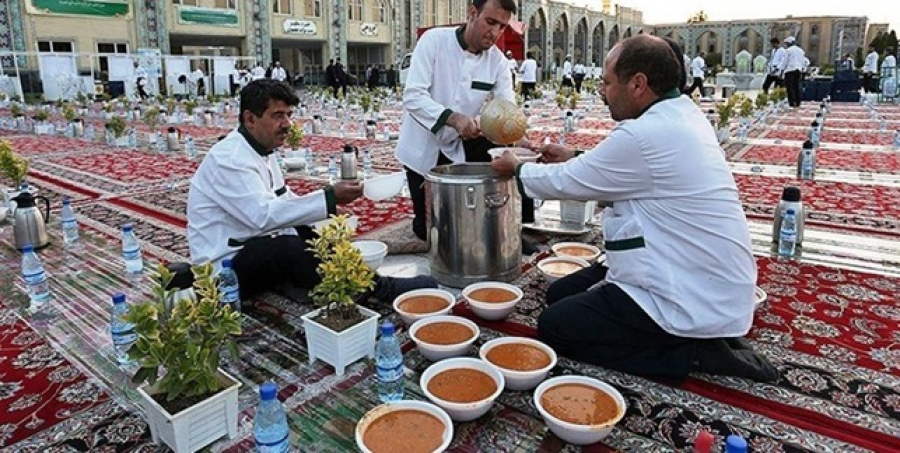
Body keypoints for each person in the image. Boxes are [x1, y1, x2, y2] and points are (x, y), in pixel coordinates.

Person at [490, 34, 777, 382]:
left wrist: (516, 168)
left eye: (608, 83)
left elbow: (571, 182)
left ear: (638, 84)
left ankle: (691, 354)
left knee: (556, 328)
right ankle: (694, 336)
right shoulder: (681, 115)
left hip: (684, 288)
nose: (603, 92)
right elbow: (628, 172)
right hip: (695, 271)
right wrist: (573, 157)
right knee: (559, 293)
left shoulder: (644, 134)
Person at [187, 79, 437, 304]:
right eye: (277, 116)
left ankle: (342, 280)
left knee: (313, 234)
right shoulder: (229, 159)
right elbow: (263, 216)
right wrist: (329, 198)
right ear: (250, 119)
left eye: (288, 115)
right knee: (285, 248)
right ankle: (380, 290)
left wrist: (323, 224)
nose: (287, 124)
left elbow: (283, 199)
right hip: (224, 269)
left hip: (251, 247)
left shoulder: (262, 149)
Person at [394, 0, 536, 249]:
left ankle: (517, 227)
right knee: (431, 233)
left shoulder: (498, 62)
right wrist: (454, 118)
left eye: (502, 26)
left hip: (463, 141)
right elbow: (413, 96)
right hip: (422, 144)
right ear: (472, 13)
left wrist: (517, 136)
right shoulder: (434, 41)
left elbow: (506, 108)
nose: (495, 32)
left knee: (512, 159)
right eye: (490, 22)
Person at [782, 36, 805, 107]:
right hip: (798, 70)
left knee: (790, 87)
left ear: (789, 43)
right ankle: (798, 102)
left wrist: (781, 71)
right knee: (797, 86)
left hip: (790, 70)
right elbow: (803, 61)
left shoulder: (788, 50)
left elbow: (785, 62)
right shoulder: (801, 50)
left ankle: (791, 103)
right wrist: (802, 69)